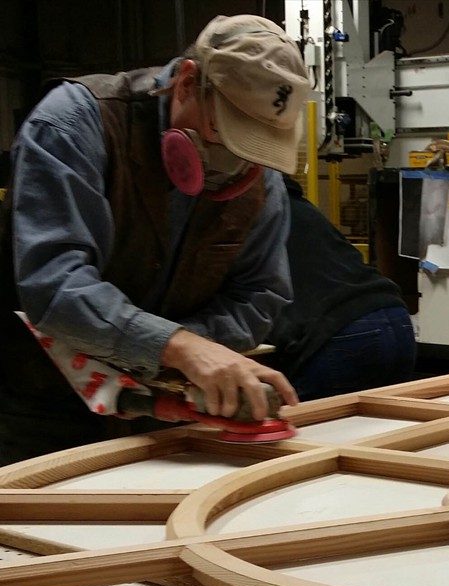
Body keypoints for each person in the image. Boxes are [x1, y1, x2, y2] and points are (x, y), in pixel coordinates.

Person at [0, 15, 311, 465]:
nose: (237, 166)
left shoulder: (260, 180)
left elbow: (260, 295)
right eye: (225, 136)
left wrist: (189, 360)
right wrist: (180, 348)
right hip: (43, 409)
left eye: (258, 148)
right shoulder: (73, 124)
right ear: (187, 83)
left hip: (162, 411)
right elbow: (54, 286)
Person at [265, 175, 416, 401]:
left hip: (337, 332)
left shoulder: (249, 213)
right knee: (378, 426)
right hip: (396, 317)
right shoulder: (298, 205)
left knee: (316, 430)